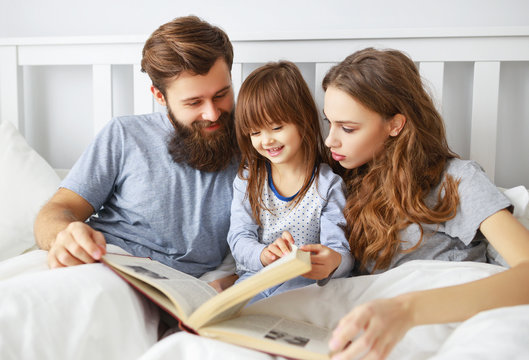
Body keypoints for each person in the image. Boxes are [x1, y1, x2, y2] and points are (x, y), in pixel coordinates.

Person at [322, 48, 529, 360]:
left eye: (347, 128)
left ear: (395, 125)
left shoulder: (456, 181)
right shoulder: (339, 183)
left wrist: (408, 309)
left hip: (440, 321)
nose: (330, 140)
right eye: (329, 123)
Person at [33, 15, 239, 289]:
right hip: (104, 262)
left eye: (221, 94)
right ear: (159, 96)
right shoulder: (124, 134)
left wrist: (232, 282)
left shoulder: (260, 143)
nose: (212, 113)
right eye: (194, 102)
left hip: (177, 289)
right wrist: (65, 235)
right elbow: (56, 211)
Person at [227, 61, 353, 303]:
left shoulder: (328, 185)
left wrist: (332, 262)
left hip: (304, 285)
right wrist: (264, 255)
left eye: (276, 127)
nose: (266, 140)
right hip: (258, 277)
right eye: (255, 132)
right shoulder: (248, 178)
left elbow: (341, 252)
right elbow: (239, 237)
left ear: (302, 120)